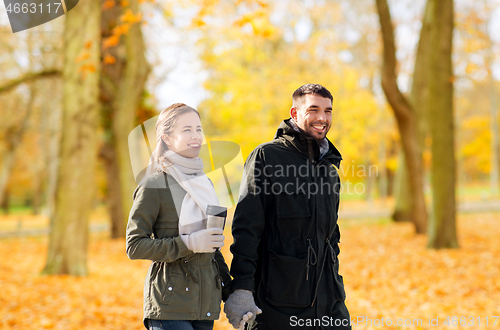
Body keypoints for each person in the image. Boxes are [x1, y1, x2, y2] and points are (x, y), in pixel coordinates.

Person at [224, 84, 351, 329]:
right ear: (294, 113)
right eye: (313, 110)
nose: (322, 118)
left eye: (328, 111)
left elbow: (330, 235)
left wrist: (334, 283)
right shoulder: (266, 157)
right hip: (277, 303)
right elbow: (247, 228)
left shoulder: (330, 169)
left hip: (330, 302)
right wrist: (241, 288)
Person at [126, 103, 232, 330]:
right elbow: (134, 246)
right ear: (166, 137)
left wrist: (231, 294)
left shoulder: (205, 183)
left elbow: (211, 248)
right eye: (187, 130)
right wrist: (188, 243)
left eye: (198, 129)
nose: (196, 136)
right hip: (169, 303)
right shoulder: (155, 184)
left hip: (205, 304)